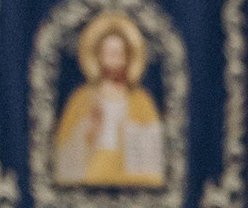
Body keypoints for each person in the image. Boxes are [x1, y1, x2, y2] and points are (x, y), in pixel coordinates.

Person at [49, 15, 164, 188]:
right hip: (93, 171)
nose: (115, 59)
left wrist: (132, 132)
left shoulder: (141, 101)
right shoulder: (82, 98)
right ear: (98, 56)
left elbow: (155, 152)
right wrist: (90, 129)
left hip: (132, 178)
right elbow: (63, 153)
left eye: (120, 54)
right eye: (110, 54)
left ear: (128, 57)